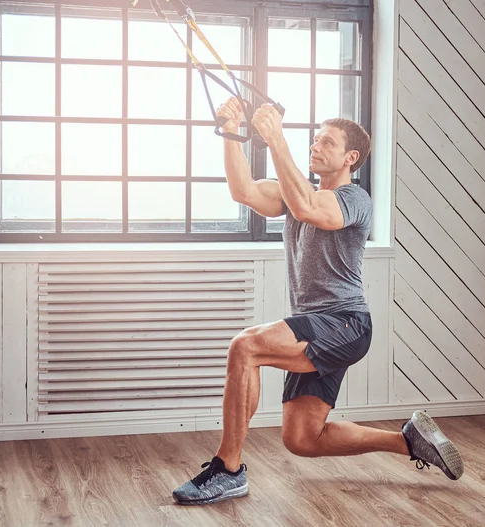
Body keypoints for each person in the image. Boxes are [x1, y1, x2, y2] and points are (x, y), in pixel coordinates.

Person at [172, 97, 464, 506]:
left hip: (344, 323)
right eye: (314, 140)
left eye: (326, 142)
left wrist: (276, 140)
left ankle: (228, 470)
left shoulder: (354, 200)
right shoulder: (296, 194)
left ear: (351, 157)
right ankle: (408, 442)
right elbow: (243, 190)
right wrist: (232, 132)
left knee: (245, 346)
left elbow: (311, 209)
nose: (315, 146)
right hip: (318, 325)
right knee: (303, 439)